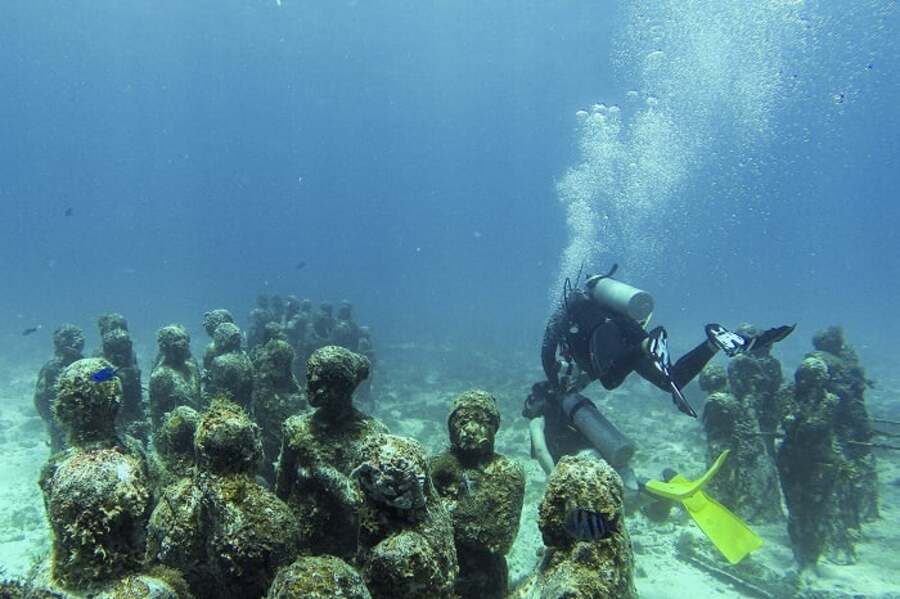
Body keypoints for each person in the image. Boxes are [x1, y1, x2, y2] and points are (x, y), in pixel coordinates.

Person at [524, 264, 794, 492]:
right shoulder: (603, 310)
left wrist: (555, 380)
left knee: (610, 381)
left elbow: (548, 353)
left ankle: (645, 347)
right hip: (629, 331)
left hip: (612, 339)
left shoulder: (563, 317)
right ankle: (713, 344)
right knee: (670, 380)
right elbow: (598, 361)